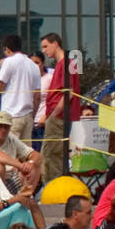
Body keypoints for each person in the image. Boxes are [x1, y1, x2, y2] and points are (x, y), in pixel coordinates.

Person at [39, 33, 79, 183]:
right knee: (49, 154)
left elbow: (70, 92)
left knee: (54, 155)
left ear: (55, 43)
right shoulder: (64, 64)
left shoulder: (67, 63)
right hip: (58, 115)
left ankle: (54, 188)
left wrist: (54, 113)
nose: (44, 50)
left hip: (59, 116)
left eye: (46, 46)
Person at [0, 110, 42, 195]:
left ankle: (27, 198)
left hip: (10, 180)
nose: (3, 130)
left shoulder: (11, 139)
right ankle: (2, 199)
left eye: (6, 127)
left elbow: (37, 155)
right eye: (0, 126)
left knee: (35, 166)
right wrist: (20, 165)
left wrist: (31, 163)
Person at [0, 35, 42, 141]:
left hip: (11, 115)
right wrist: (32, 115)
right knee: (26, 153)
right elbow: (37, 96)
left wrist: (1, 67)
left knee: (9, 151)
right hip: (28, 115)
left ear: (6, 49)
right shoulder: (34, 66)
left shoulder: (9, 61)